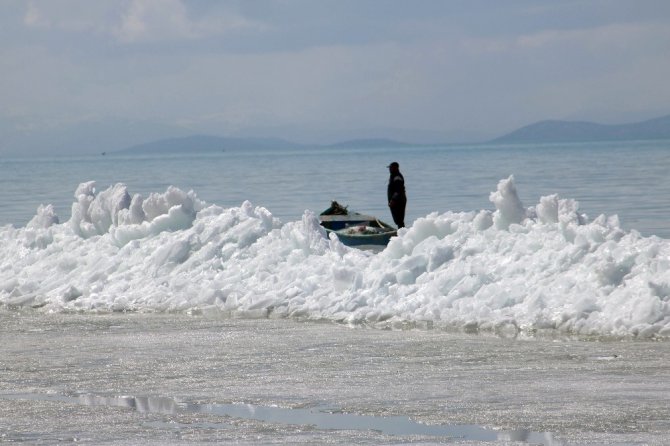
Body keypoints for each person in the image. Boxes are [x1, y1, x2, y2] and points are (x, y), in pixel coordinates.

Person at [387, 161, 406, 228]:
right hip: (396, 201)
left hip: (398, 201)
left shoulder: (397, 177)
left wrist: (393, 200)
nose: (389, 169)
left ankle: (402, 234)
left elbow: (399, 190)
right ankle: (401, 232)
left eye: (391, 168)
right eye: (389, 168)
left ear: (396, 168)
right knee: (398, 220)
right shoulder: (393, 176)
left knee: (399, 220)